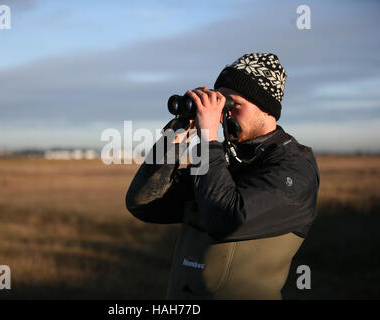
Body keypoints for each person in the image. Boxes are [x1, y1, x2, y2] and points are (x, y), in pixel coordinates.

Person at [125, 53, 320, 300]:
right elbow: (144, 204)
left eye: (233, 106)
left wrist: (208, 139)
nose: (223, 116)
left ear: (266, 108)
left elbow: (226, 218)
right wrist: (175, 135)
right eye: (220, 106)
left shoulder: (293, 167)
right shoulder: (222, 159)